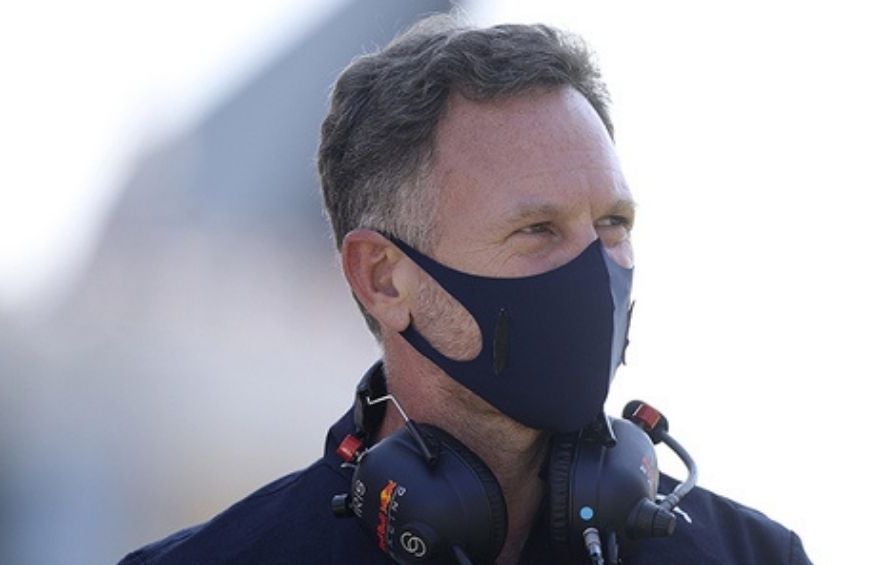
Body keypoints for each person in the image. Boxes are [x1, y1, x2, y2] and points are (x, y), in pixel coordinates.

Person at [120, 14, 811, 565]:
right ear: (382, 277)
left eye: (612, 223)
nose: (593, 269)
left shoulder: (750, 555)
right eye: (537, 228)